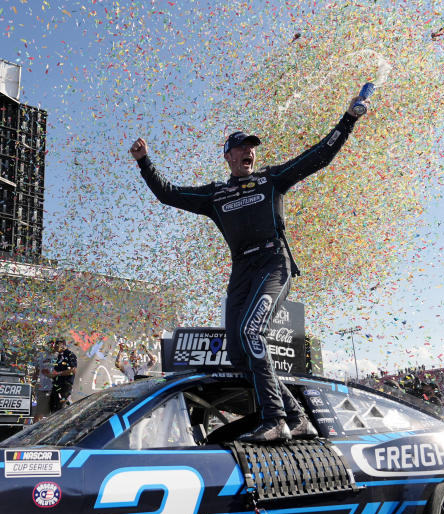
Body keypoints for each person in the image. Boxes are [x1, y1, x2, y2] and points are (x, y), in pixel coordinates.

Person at [130, 91, 369, 441]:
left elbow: (318, 156)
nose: (249, 152)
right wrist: (144, 161)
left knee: (251, 332)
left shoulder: (270, 180)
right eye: (242, 147)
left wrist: (349, 118)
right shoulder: (215, 195)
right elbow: (168, 194)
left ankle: (276, 421)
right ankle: (297, 416)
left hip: (273, 263)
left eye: (252, 147)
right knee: (240, 353)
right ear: (228, 155)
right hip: (242, 271)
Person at [47, 337, 77, 413]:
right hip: (55, 386)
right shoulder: (58, 356)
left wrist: (58, 373)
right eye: (55, 344)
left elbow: (73, 370)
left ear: (63, 344)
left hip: (65, 385)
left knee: (60, 410)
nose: (55, 346)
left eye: (57, 344)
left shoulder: (70, 355)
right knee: (52, 408)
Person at [31, 340, 56, 422]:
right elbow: (36, 372)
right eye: (50, 344)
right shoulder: (41, 356)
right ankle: (34, 432)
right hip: (43, 389)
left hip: (55, 389)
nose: (51, 346)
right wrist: (32, 386)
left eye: (53, 345)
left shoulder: (59, 356)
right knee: (38, 414)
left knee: (56, 415)